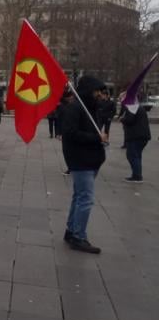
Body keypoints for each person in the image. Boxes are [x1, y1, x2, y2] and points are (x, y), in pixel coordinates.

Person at [62, 76, 108, 254]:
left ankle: (71, 230)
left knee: (79, 197)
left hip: (90, 159)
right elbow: (70, 133)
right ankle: (79, 237)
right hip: (81, 160)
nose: (99, 94)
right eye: (97, 91)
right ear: (89, 90)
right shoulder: (75, 108)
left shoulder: (89, 108)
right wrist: (97, 138)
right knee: (85, 199)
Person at [120, 100, 150, 183]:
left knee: (132, 155)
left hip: (135, 136)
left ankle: (137, 176)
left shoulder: (132, 108)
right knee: (137, 156)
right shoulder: (138, 107)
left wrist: (122, 119)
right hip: (143, 135)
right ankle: (136, 175)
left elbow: (129, 120)